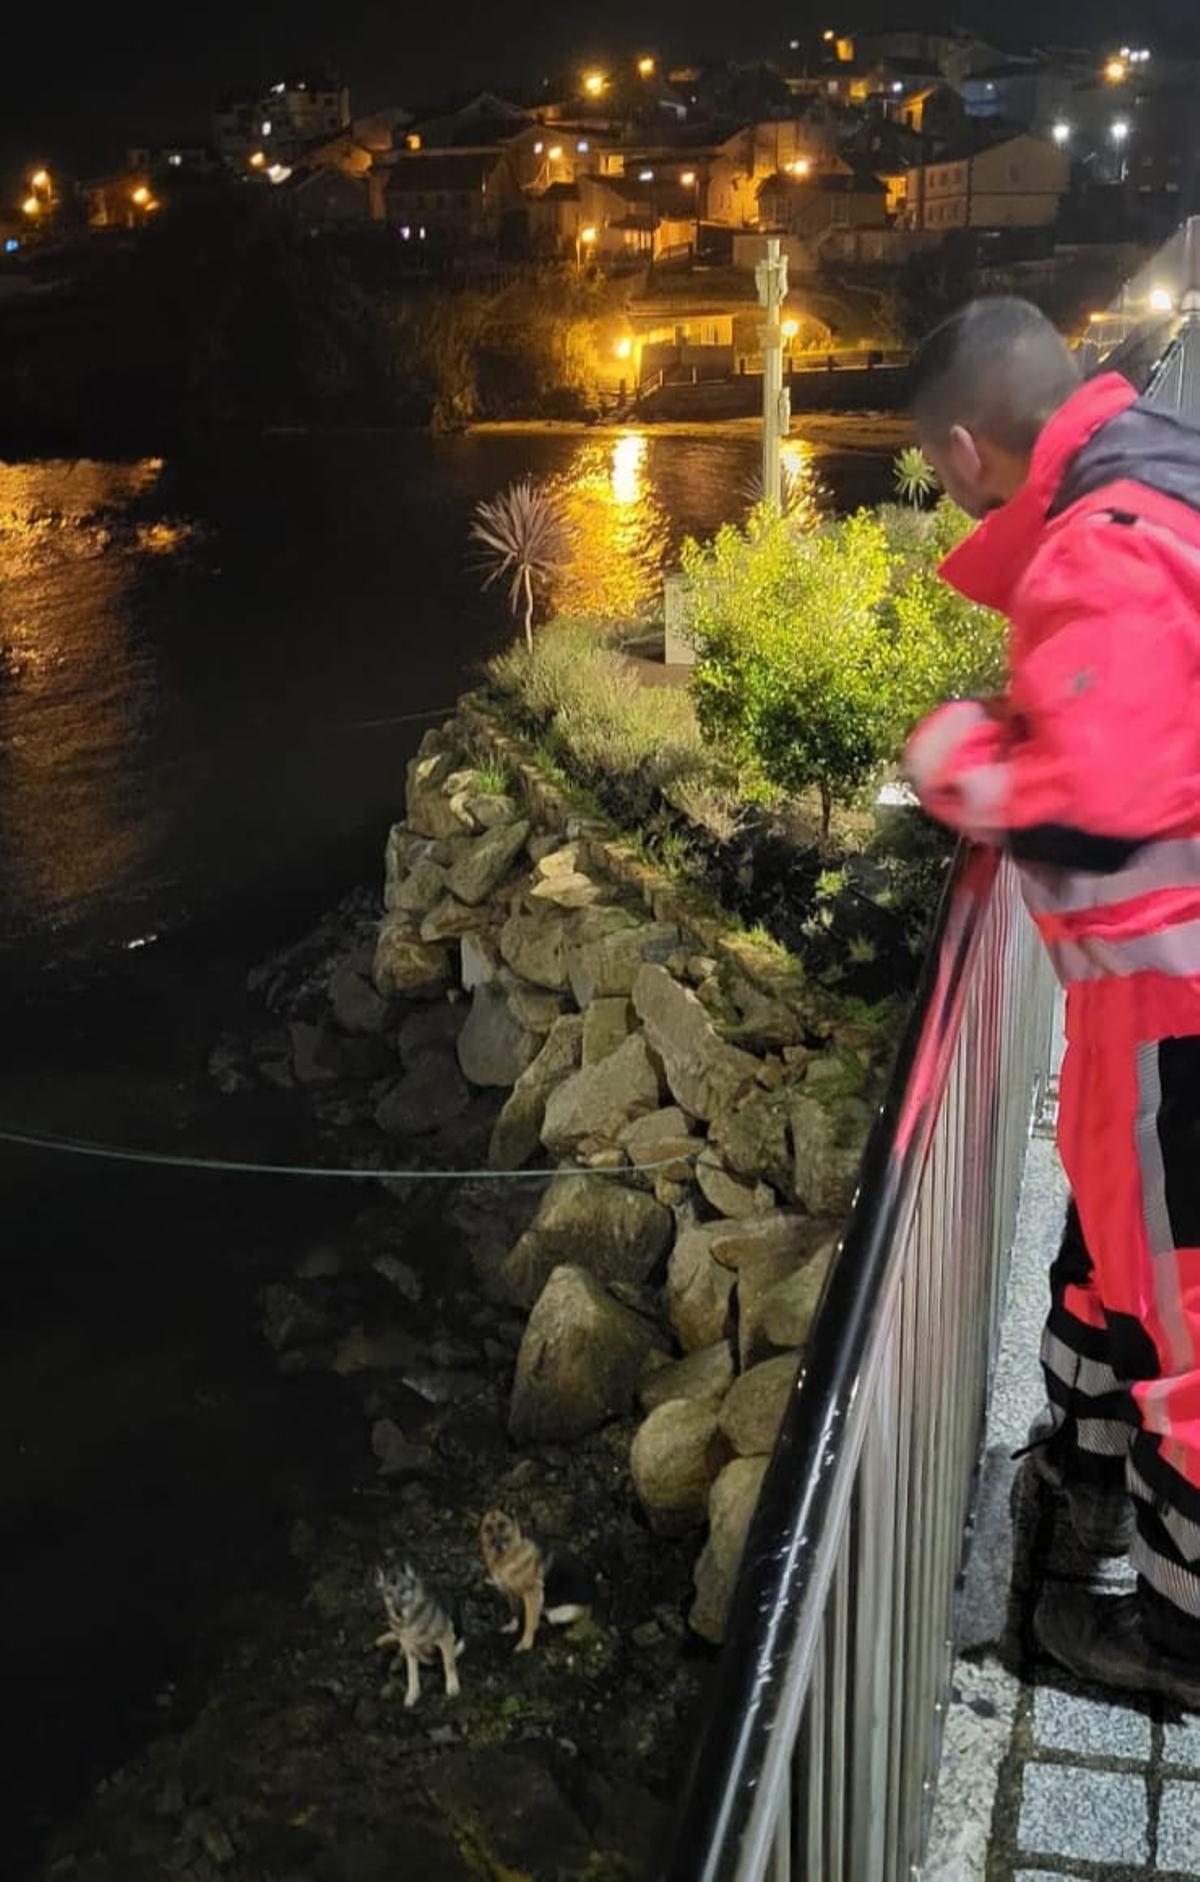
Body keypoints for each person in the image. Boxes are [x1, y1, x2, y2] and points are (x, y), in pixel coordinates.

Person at [903, 296, 1200, 1704]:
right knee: (1105, 1249)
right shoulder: (1160, 465)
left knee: (1189, 1307)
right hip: (1136, 1030)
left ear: (965, 450)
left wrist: (961, 757)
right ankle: (1078, 1471)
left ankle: (1175, 1633)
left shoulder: (1100, 553)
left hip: (1180, 1018)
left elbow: (1099, 826)